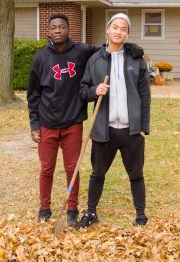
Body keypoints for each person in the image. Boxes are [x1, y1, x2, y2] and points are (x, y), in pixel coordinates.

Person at [27, 12, 144, 227]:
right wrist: (34, 123)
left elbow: (109, 47)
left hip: (73, 121)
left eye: (62, 27)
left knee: (73, 168)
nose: (58, 30)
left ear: (68, 29)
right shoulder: (40, 58)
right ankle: (44, 207)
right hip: (47, 123)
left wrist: (132, 47)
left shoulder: (81, 51)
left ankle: (72, 208)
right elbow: (33, 94)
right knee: (46, 169)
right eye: (53, 27)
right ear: (48, 31)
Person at [78, 13, 151, 228]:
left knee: (136, 174)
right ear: (108, 30)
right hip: (104, 129)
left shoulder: (136, 59)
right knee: (97, 173)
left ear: (127, 34)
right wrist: (94, 90)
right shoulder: (95, 60)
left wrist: (143, 127)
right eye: (115, 27)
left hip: (131, 130)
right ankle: (91, 212)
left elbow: (145, 95)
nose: (119, 32)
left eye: (123, 29)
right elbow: (82, 91)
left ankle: (140, 215)